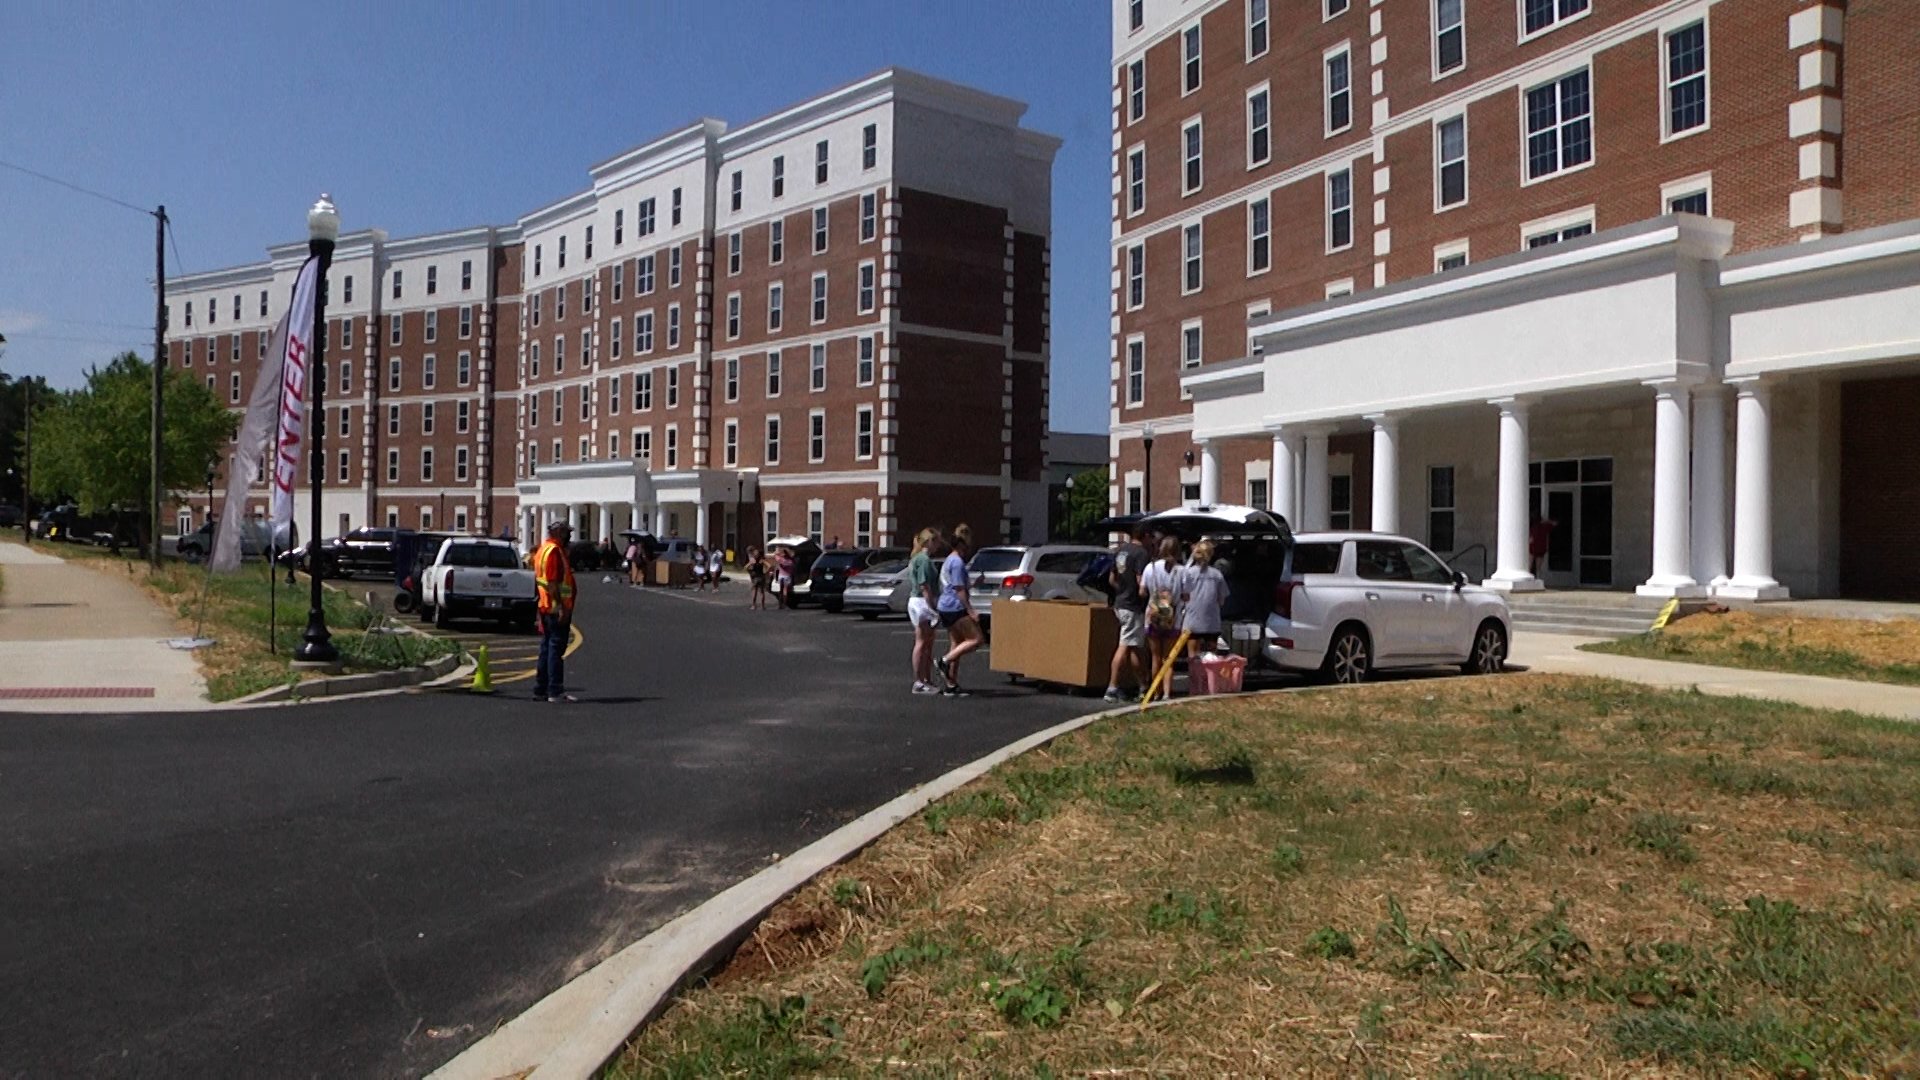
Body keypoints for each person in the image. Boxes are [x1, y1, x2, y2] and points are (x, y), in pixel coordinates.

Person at [933, 524, 983, 698]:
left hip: (946, 606)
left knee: (957, 643)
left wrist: (975, 584)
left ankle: (951, 684)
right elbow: (959, 588)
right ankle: (944, 661)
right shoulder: (957, 562)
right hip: (954, 606)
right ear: (963, 544)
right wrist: (970, 610)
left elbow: (959, 584)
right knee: (976, 639)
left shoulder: (949, 560)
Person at [532, 520, 578, 703]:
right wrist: (560, 607)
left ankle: (541, 689)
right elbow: (552, 582)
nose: (570, 536)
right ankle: (554, 690)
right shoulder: (554, 552)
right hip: (555, 608)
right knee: (555, 649)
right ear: (559, 532)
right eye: (567, 533)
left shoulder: (544, 549)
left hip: (545, 606)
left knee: (546, 648)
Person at [1104, 525, 1150, 703]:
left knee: (1135, 646)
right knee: (1125, 646)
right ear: (1144, 536)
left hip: (1120, 603)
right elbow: (1141, 582)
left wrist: (1122, 590)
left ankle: (1142, 685)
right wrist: (1144, 595)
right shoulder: (1141, 554)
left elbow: (1112, 579)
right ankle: (1112, 687)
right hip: (1133, 605)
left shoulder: (1120, 551)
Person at [1140, 535, 1185, 703]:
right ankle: (1167, 692)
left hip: (1152, 617)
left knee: (1155, 657)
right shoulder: (1181, 571)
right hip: (1173, 618)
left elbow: (1142, 592)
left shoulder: (1150, 568)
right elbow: (1186, 595)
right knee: (1169, 658)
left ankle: (1155, 690)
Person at [1180, 540, 1228, 695]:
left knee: (1192, 656)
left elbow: (1183, 596)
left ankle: (1195, 686)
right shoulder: (1217, 575)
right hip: (1211, 621)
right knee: (1211, 657)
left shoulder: (1188, 573)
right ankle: (1209, 684)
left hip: (1192, 619)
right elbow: (1222, 600)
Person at [906, 527, 945, 694]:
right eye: (937, 542)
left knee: (926, 643)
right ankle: (919, 681)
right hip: (922, 602)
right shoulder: (924, 560)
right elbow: (925, 586)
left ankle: (925, 679)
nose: (938, 546)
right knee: (922, 643)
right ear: (930, 541)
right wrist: (933, 607)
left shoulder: (916, 558)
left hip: (916, 601)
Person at [1529, 513, 1556, 577]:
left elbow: (1531, 539)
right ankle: (1538, 579)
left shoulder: (1532, 527)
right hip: (1541, 549)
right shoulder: (1545, 526)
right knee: (1538, 568)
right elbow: (1555, 523)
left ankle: (1529, 580)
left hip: (1532, 548)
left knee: (1529, 566)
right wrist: (1547, 521)